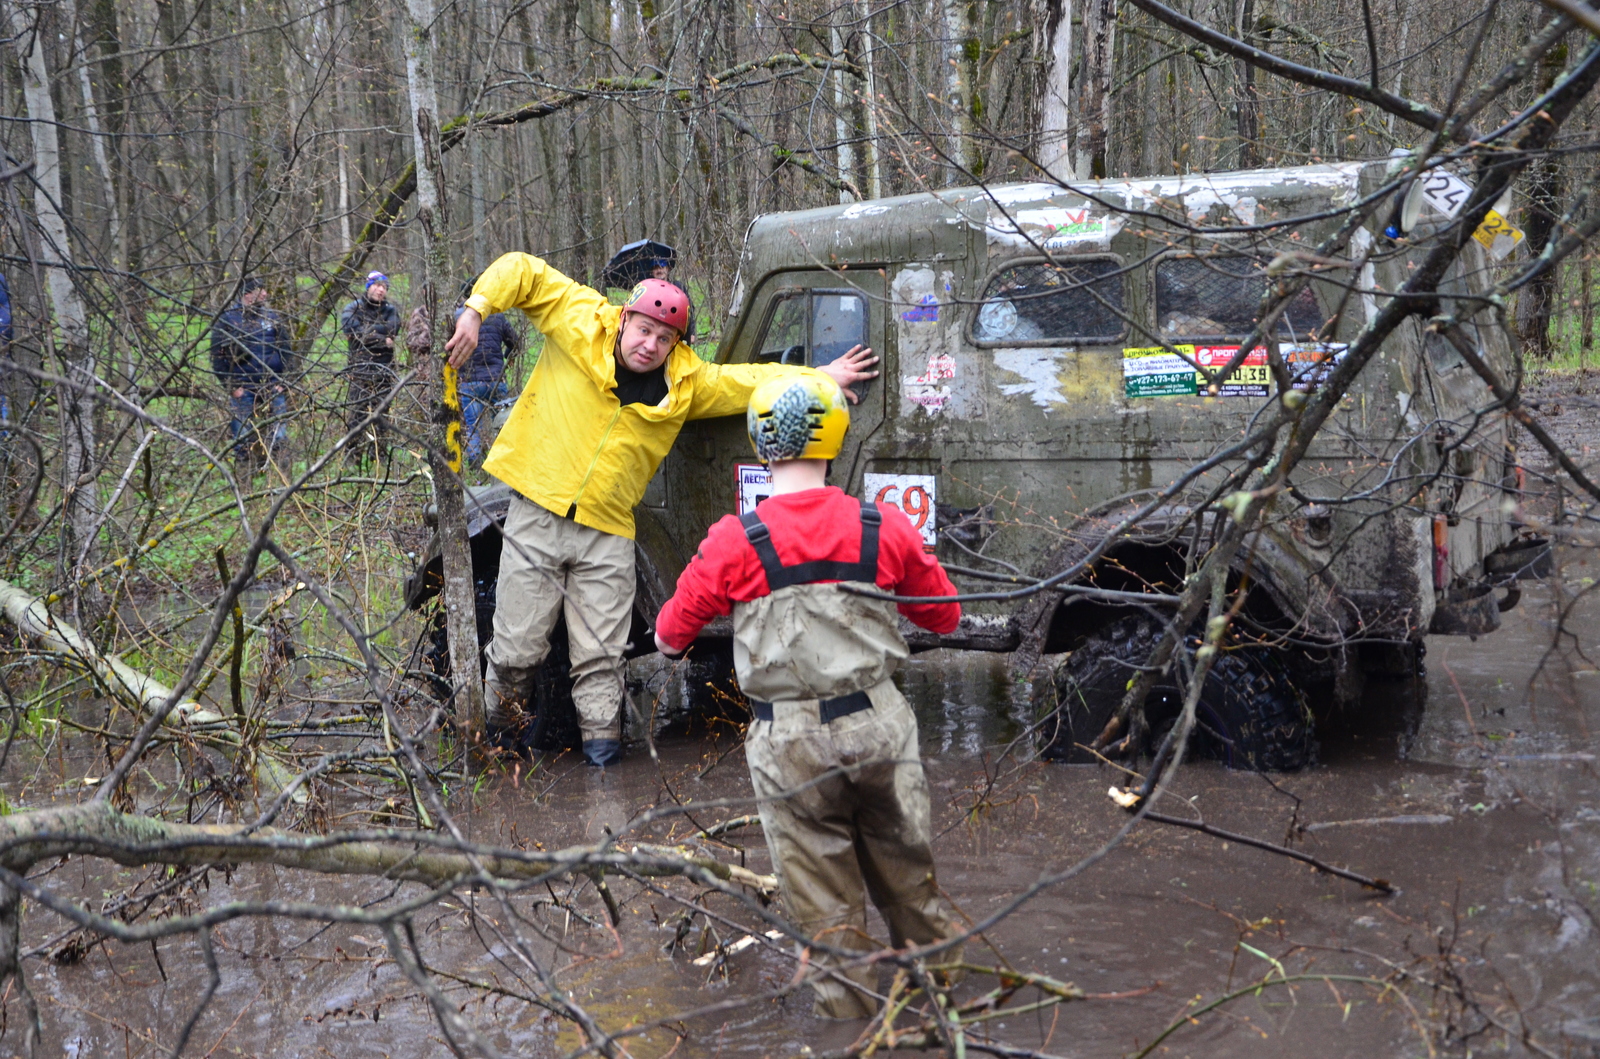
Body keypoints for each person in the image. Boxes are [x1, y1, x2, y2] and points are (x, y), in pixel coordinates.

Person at [443, 254, 877, 767]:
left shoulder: (688, 383)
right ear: (625, 319)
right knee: (516, 652)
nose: (649, 344)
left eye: (663, 337)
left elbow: (750, 379)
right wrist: (475, 310)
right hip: (537, 511)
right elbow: (520, 269)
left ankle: (602, 770)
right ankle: (493, 749)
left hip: (607, 530)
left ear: (677, 343)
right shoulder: (581, 318)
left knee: (602, 661)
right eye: (643, 329)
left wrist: (819, 373)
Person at [652, 372, 962, 1018]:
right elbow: (946, 617)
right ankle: (945, 1016)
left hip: (788, 742)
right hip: (881, 727)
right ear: (835, 437)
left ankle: (849, 1027)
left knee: (827, 914)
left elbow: (669, 635)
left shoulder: (734, 540)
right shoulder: (884, 526)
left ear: (762, 445)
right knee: (913, 890)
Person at [209, 277, 291, 465]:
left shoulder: (273, 318)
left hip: (272, 385)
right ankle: (245, 474)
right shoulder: (228, 319)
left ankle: (279, 471)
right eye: (260, 290)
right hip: (243, 387)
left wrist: (282, 381)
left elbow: (286, 350)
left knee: (279, 434)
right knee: (242, 436)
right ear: (248, 293)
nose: (265, 294)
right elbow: (217, 355)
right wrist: (231, 386)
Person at [454, 280, 522, 464]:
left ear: (464, 296)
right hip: (495, 379)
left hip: (469, 382)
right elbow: (516, 342)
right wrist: (507, 356)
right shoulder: (497, 316)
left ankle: (475, 463)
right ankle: (506, 461)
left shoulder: (457, 317)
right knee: (502, 423)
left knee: (472, 427)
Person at [340, 271, 401, 455]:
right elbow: (351, 329)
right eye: (376, 285)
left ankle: (379, 454)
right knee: (357, 415)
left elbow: (393, 328)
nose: (380, 290)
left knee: (382, 415)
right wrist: (383, 339)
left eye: (384, 287)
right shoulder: (353, 308)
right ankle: (352, 454)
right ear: (368, 286)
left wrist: (367, 333)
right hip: (360, 370)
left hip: (384, 369)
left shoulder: (390, 310)